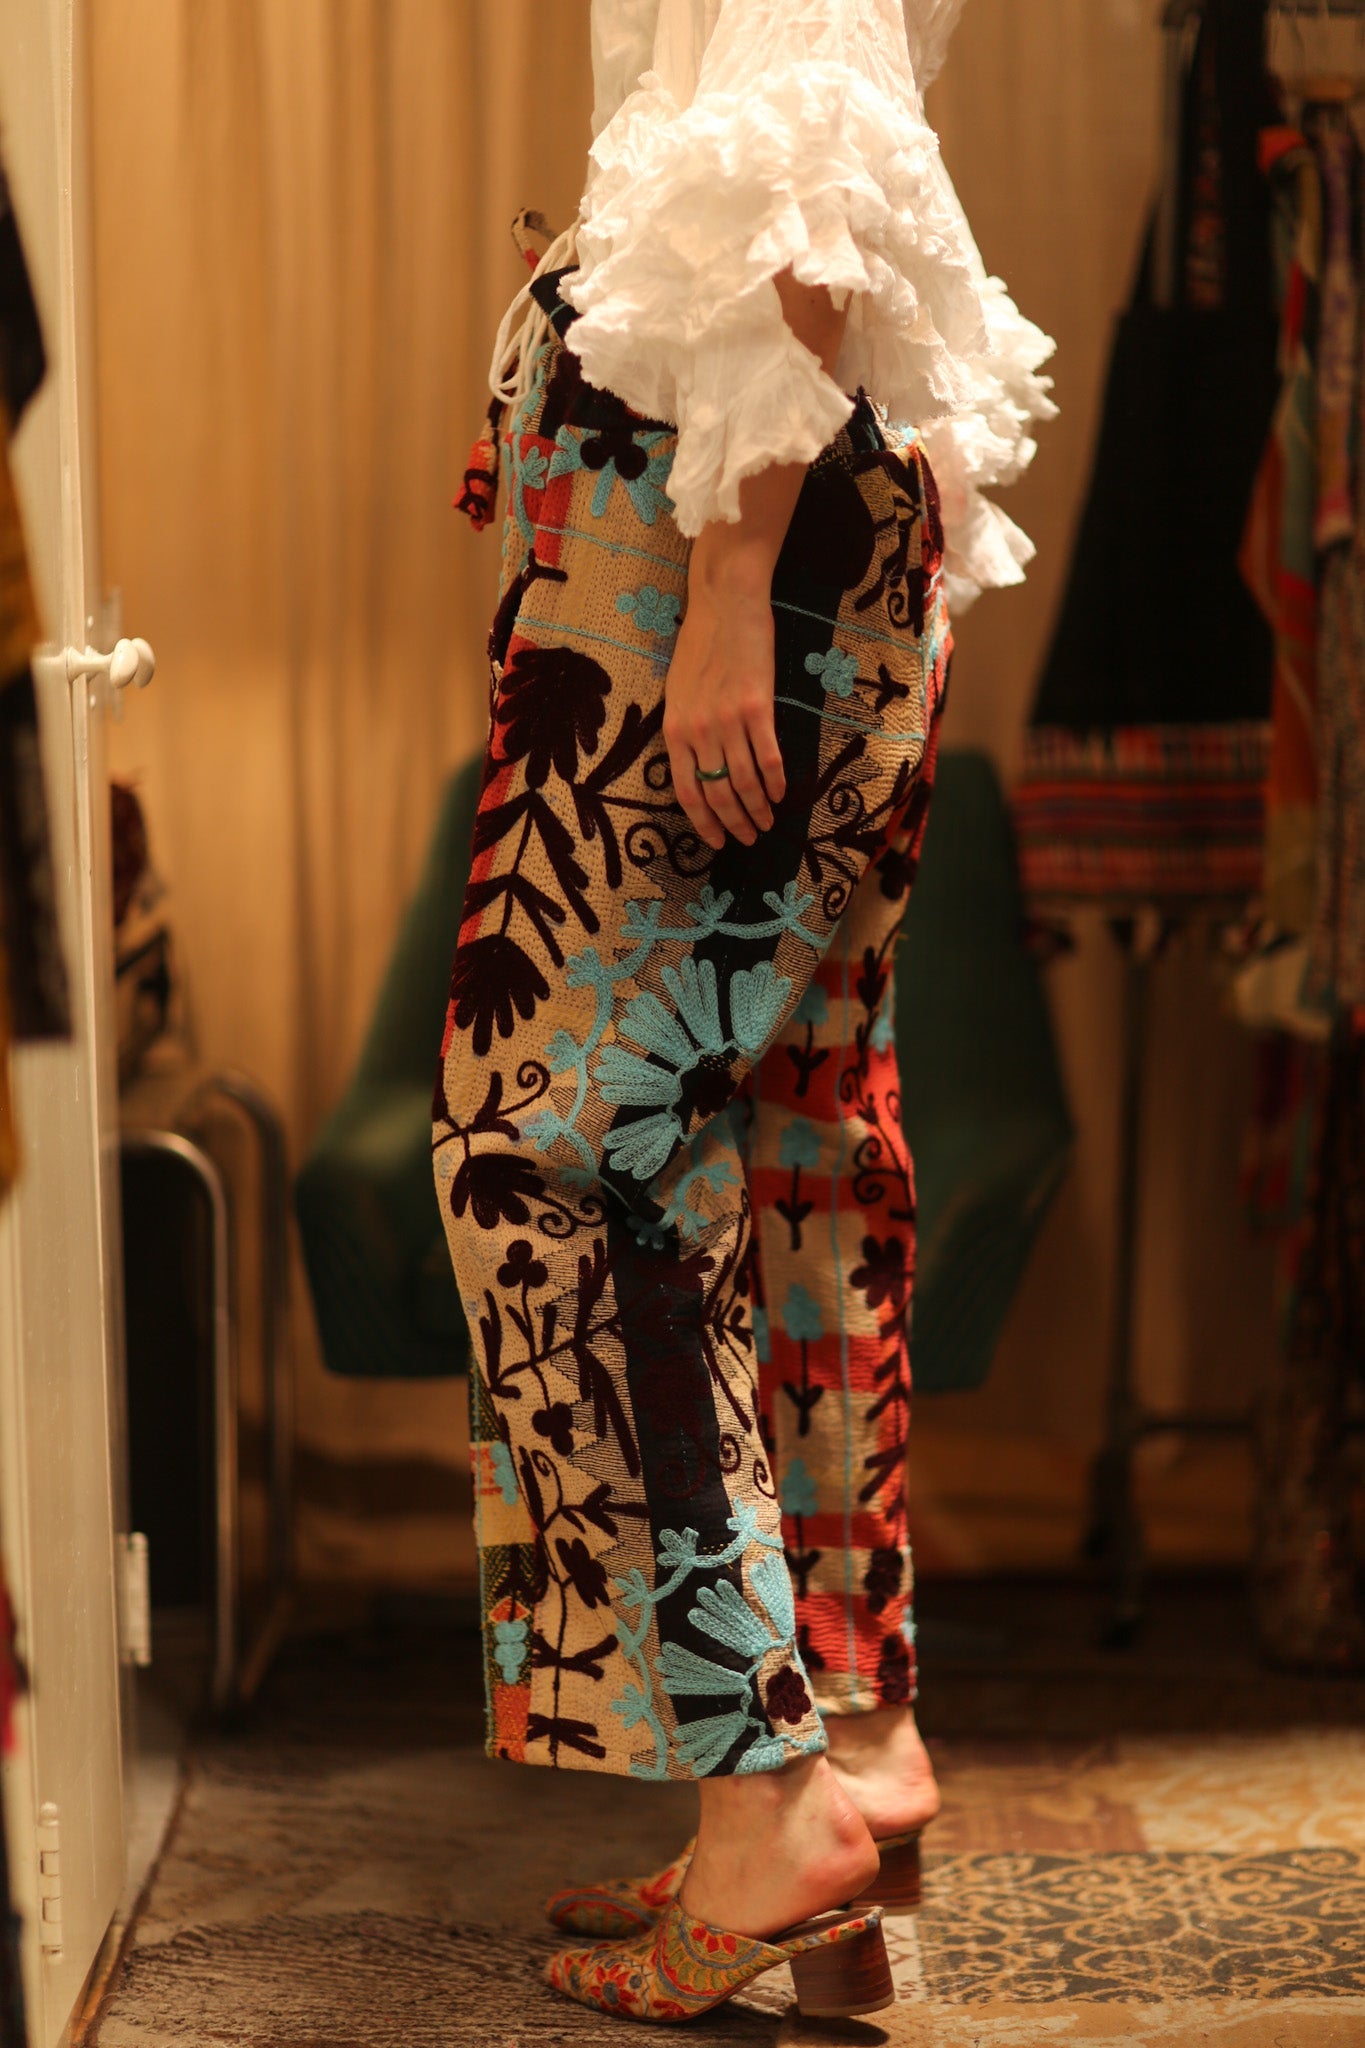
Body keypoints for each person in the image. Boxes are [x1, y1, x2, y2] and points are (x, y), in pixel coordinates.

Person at [434, 0, 1053, 2022]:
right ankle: (836, 1732)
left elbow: (800, 185)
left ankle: (762, 1790)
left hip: (723, 537)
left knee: (560, 1154)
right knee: (779, 1136)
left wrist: (725, 586)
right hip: (793, 524)